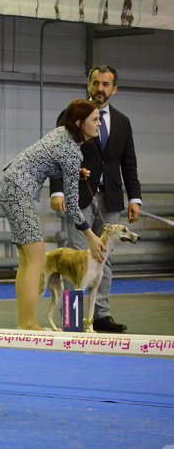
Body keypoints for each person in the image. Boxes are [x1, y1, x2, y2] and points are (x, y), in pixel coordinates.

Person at [49, 65, 142, 333]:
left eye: (106, 84)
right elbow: (58, 154)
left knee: (105, 259)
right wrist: (57, 191)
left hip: (111, 198)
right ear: (88, 85)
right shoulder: (71, 115)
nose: (100, 89)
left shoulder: (123, 122)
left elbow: (129, 162)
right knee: (76, 257)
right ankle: (74, 318)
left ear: (115, 89)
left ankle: (101, 316)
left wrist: (134, 198)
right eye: (96, 83)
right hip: (78, 196)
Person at [0, 99, 106, 330]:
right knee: (37, 260)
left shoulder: (62, 134)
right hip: (19, 193)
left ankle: (24, 322)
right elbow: (73, 205)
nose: (100, 123)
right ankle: (27, 323)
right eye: (95, 119)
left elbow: (46, 160)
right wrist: (92, 236)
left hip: (12, 188)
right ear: (80, 123)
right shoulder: (71, 152)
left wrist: (74, 172)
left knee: (27, 260)